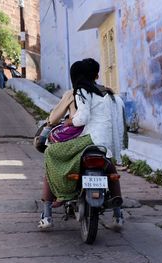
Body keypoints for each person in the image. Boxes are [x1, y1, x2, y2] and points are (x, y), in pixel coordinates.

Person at [38, 58, 124, 229]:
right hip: (106, 143)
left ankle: (53, 206)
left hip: (90, 139)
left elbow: (81, 118)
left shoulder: (80, 91)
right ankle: (118, 216)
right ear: (96, 75)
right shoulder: (111, 95)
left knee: (51, 153)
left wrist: (70, 122)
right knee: (111, 169)